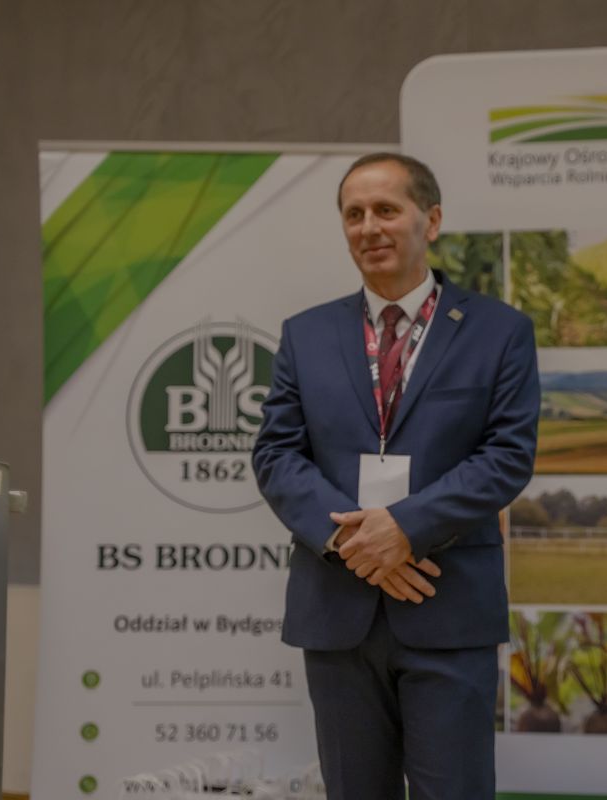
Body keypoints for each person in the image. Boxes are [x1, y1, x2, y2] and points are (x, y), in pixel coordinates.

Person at [252, 153, 540, 799]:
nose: (369, 227)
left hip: (448, 606)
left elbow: (506, 455)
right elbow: (276, 454)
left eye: (386, 209)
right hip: (338, 610)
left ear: (430, 220)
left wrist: (404, 529)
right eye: (353, 214)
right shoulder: (306, 335)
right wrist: (354, 542)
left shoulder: (499, 331)